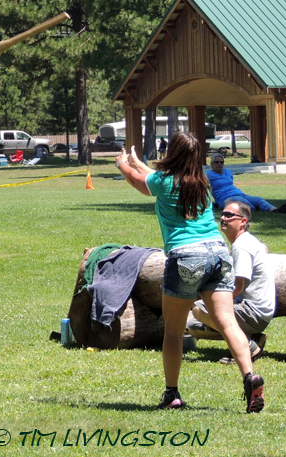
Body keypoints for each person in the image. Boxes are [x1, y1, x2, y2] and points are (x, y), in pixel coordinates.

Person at [115, 132, 265, 413]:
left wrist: (123, 164)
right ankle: (249, 376)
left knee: (173, 330)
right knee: (228, 323)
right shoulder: (202, 184)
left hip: (186, 256)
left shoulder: (164, 181)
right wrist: (138, 162)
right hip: (218, 253)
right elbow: (155, 177)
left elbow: (141, 182)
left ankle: (172, 394)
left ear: (173, 152)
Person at [187, 200, 275, 364]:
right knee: (192, 326)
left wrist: (216, 303)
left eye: (229, 215)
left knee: (199, 309)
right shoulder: (246, 241)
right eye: (222, 214)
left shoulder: (241, 246)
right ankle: (252, 337)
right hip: (259, 312)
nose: (223, 218)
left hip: (253, 312)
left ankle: (247, 346)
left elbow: (238, 286)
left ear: (243, 221)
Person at [207, 153, 286, 213]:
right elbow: (203, 188)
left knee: (258, 199)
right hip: (224, 199)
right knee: (241, 201)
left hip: (239, 193)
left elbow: (230, 183)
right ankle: (254, 208)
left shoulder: (227, 172)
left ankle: (275, 209)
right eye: (216, 162)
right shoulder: (209, 175)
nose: (219, 164)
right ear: (211, 164)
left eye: (221, 162)